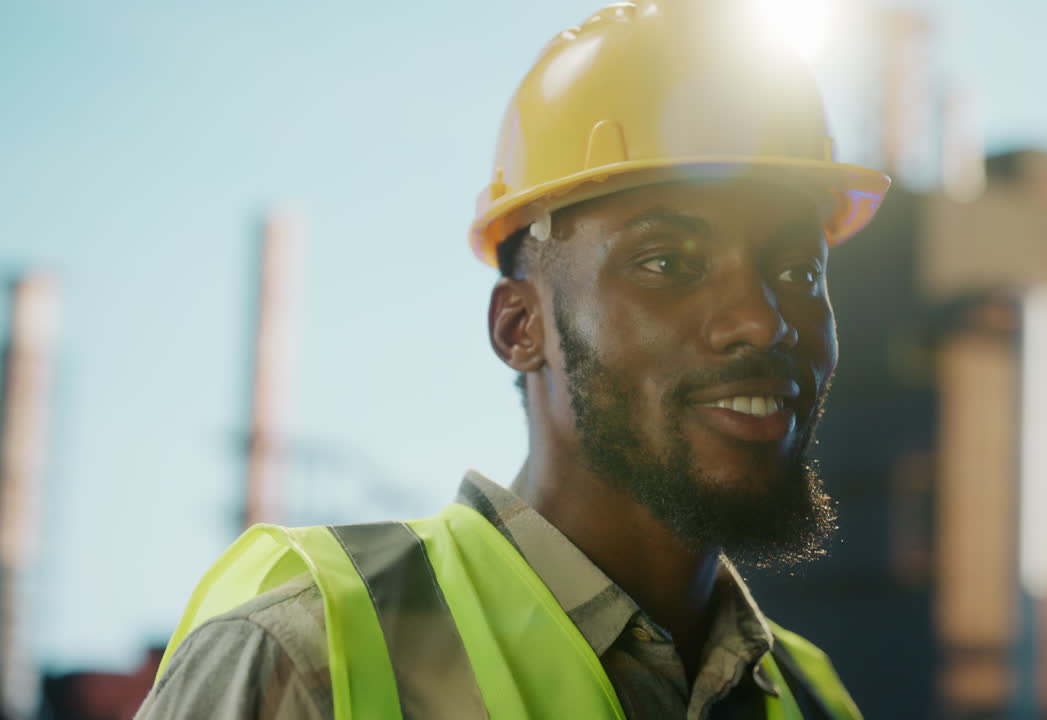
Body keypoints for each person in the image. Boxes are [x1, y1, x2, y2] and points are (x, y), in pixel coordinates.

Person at [136, 0, 890, 717]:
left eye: (799, 273)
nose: (761, 321)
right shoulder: (306, 657)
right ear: (519, 327)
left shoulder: (812, 698)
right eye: (665, 263)